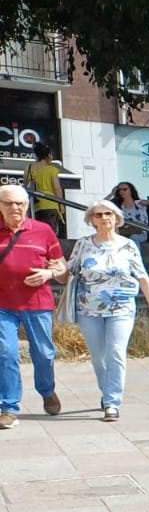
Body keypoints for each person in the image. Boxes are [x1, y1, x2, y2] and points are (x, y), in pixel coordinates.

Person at [69, 200, 149, 421]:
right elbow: (69, 270)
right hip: (88, 309)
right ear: (91, 220)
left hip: (121, 308)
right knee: (99, 357)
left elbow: (143, 278)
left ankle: (112, 401)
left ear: (116, 218)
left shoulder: (128, 245)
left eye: (109, 213)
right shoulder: (83, 244)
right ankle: (106, 390)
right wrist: (50, 271)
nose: (104, 218)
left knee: (116, 353)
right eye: (99, 214)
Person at [0, 183, 66, 429]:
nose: (15, 207)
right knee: (5, 353)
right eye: (9, 203)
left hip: (37, 303)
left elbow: (62, 269)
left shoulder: (43, 230)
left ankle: (47, 391)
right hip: (2, 304)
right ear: (0, 206)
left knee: (44, 353)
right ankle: (8, 407)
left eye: (20, 203)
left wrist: (49, 275)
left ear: (27, 205)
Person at [20, 143, 65, 238]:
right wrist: (61, 204)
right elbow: (57, 188)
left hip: (35, 205)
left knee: (38, 232)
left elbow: (26, 185)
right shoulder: (52, 170)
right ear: (48, 155)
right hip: (51, 203)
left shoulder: (29, 168)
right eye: (51, 155)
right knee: (50, 232)